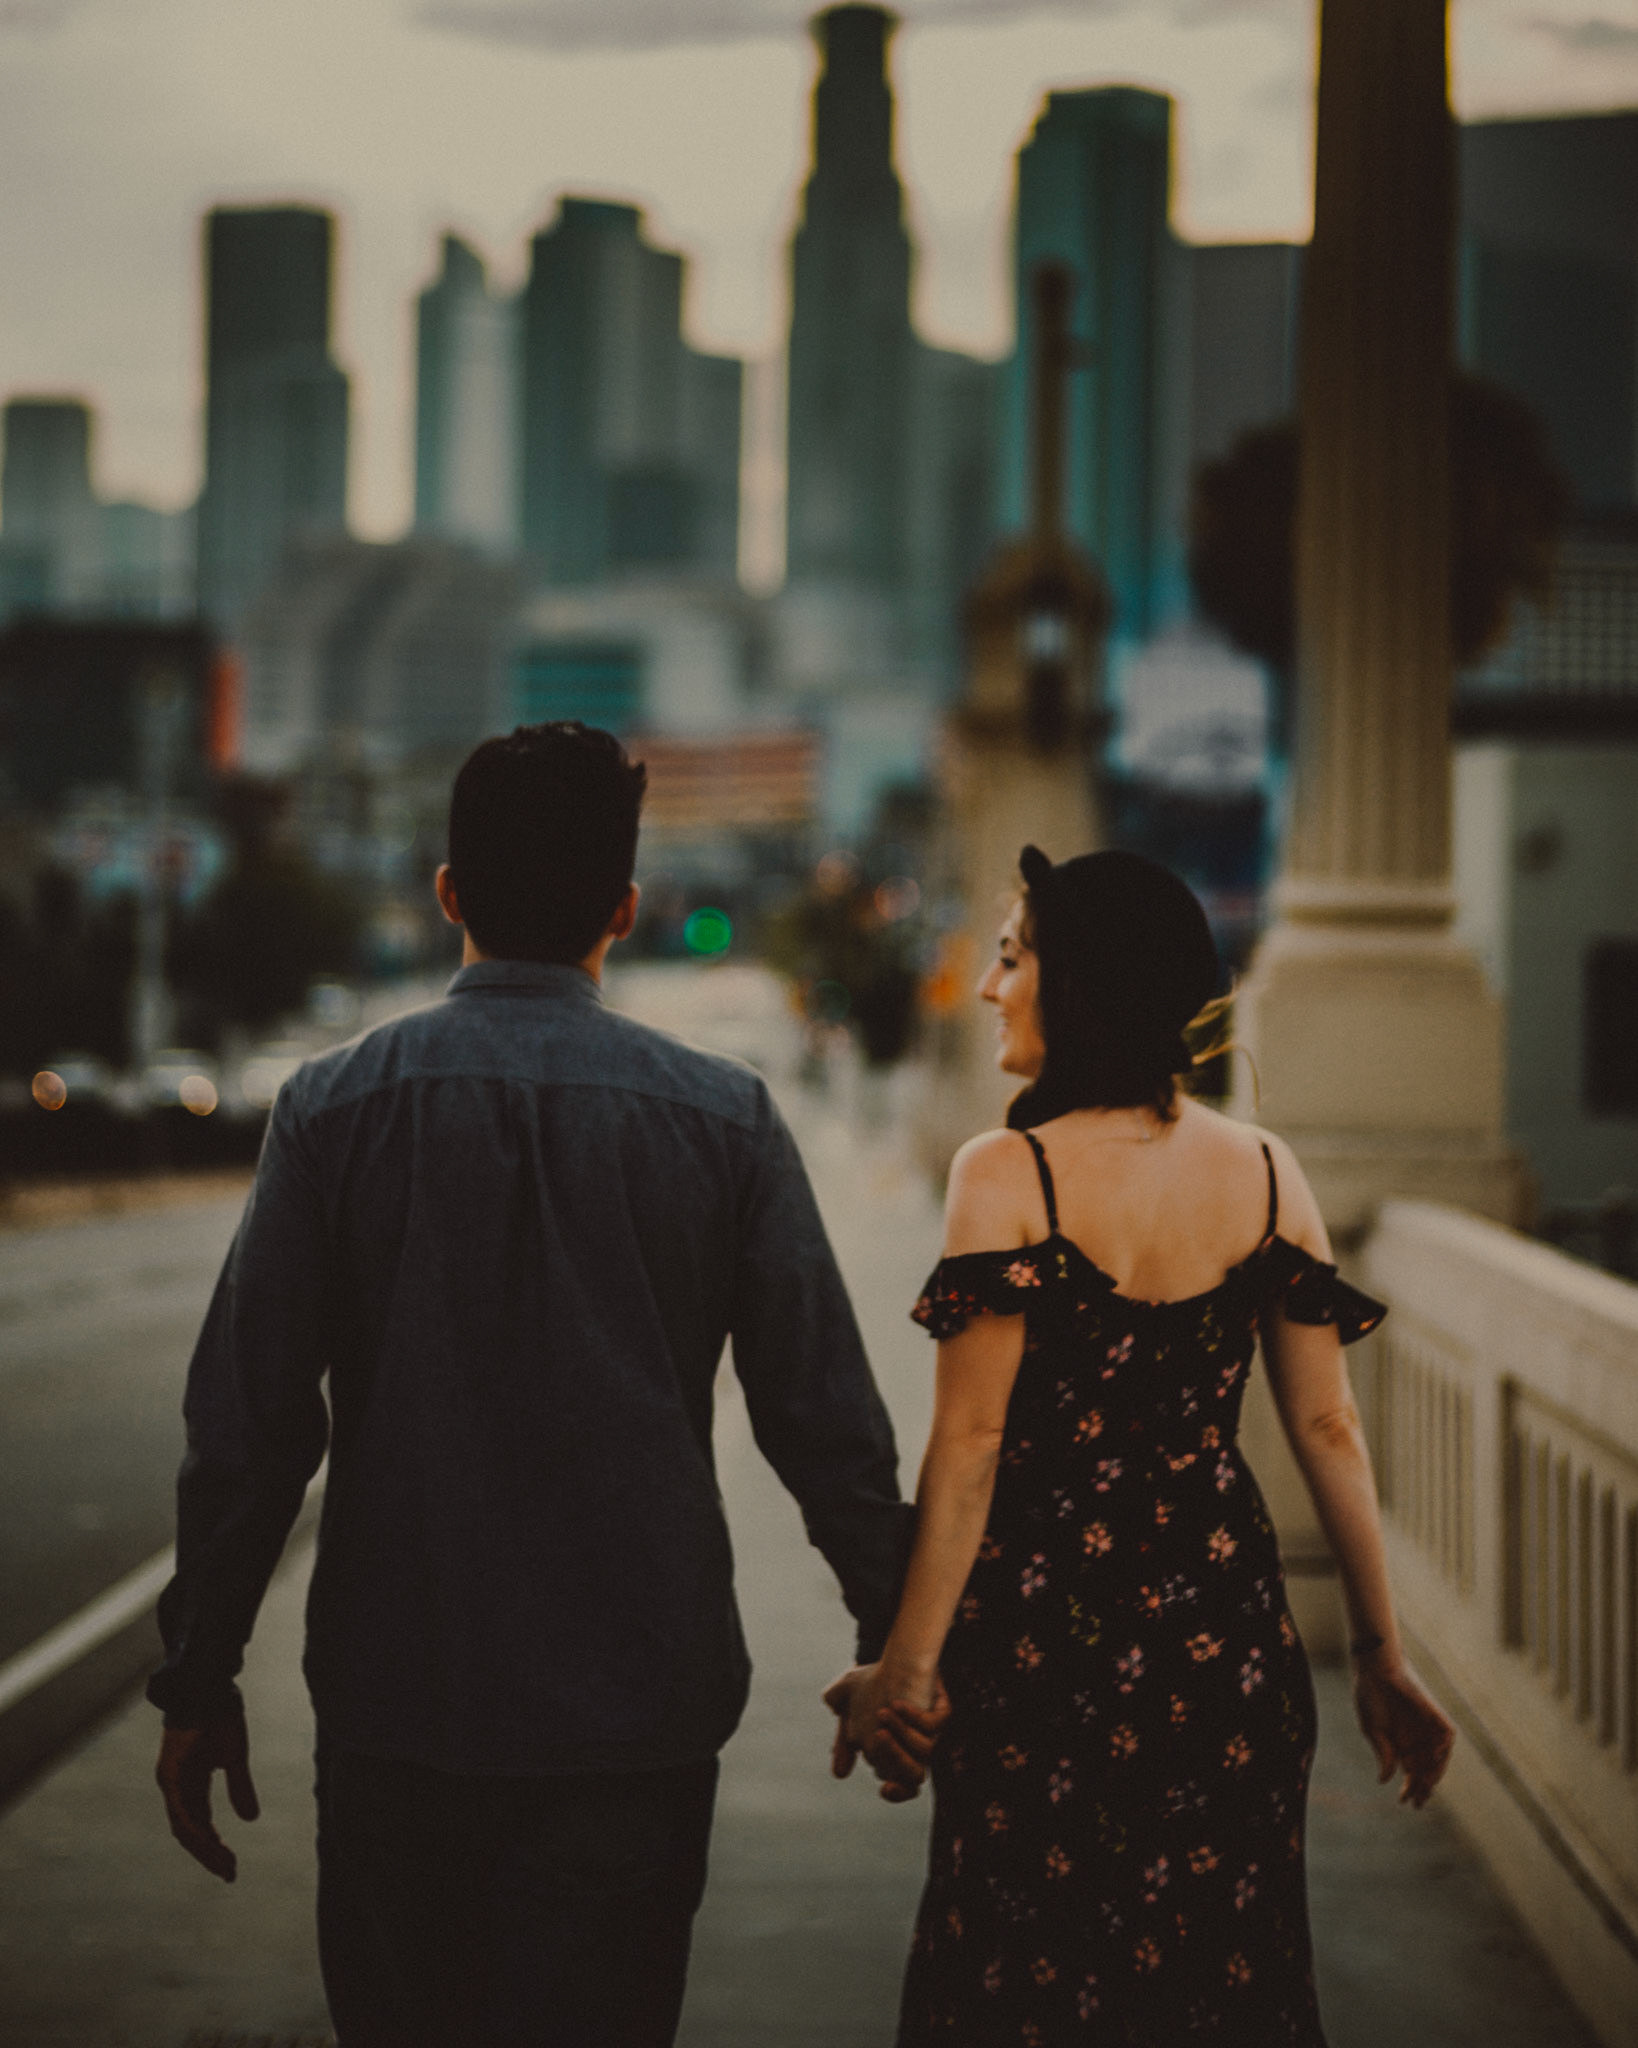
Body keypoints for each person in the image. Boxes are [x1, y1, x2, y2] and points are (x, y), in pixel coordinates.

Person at [149, 720, 923, 2048]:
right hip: (635, 1716)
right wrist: (895, 1644)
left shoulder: (333, 1109)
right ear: (625, 908)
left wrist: (198, 1672)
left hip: (404, 1697)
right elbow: (825, 1421)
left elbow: (250, 1426)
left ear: (447, 895)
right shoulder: (723, 1117)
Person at [826, 844, 1455, 2045]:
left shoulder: (1007, 1171)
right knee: (1219, 1987)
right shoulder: (1267, 1170)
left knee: (1022, 1983)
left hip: (1040, 1660)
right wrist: (1382, 1653)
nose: (992, 985)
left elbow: (969, 1444)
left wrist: (907, 1666)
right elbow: (1329, 1428)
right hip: (1224, 1656)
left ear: (1084, 982)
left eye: (1012, 956)